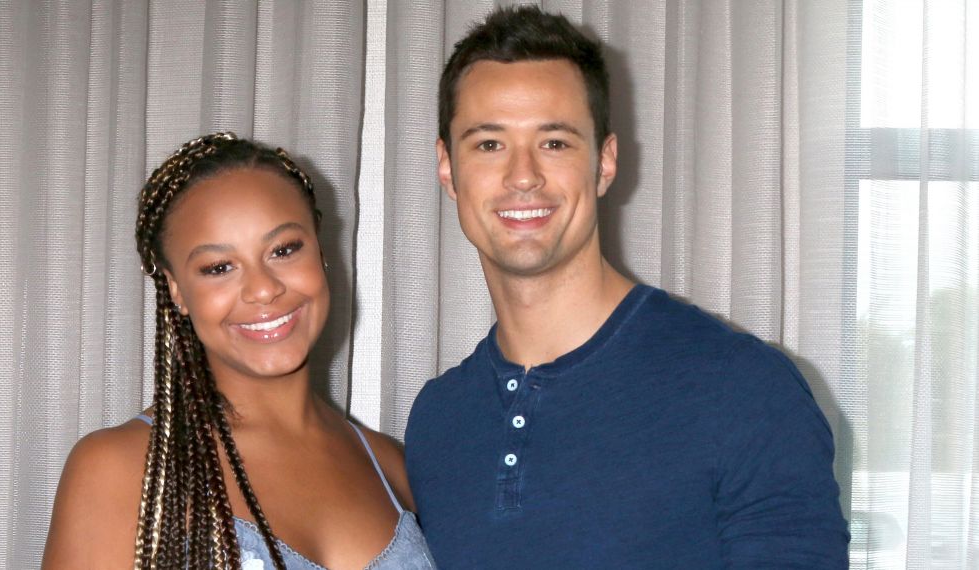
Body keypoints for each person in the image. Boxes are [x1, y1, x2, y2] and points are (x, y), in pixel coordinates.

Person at [404, 6, 850, 568]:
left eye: (555, 143)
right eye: (488, 144)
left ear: (605, 162)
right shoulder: (438, 419)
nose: (523, 176)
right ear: (447, 168)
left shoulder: (744, 390)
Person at [44, 133, 436, 569]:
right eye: (219, 268)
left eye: (284, 250)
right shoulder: (120, 470)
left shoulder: (390, 466)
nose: (264, 289)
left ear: (321, 251)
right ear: (177, 291)